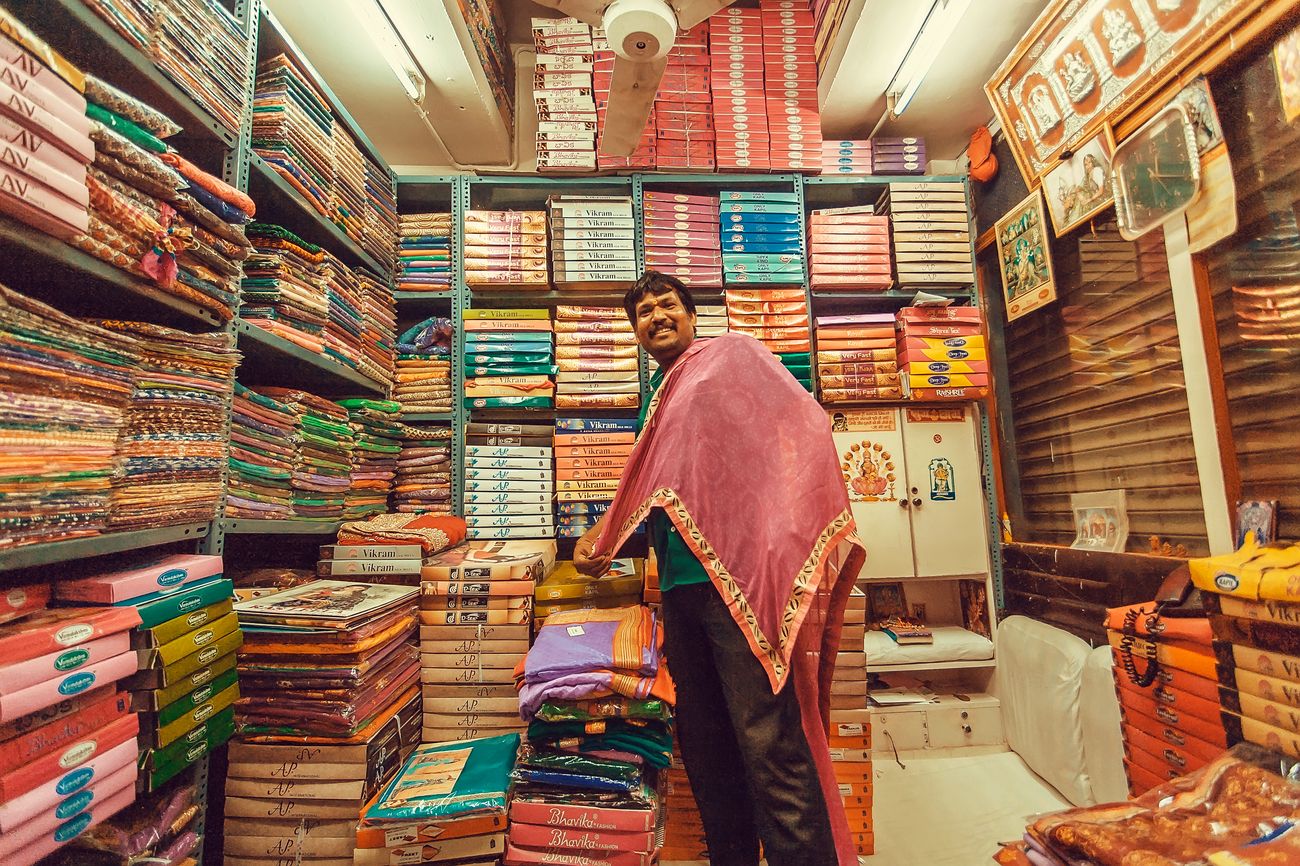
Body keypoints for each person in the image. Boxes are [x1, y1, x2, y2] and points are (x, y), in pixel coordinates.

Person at [573, 271, 866, 866]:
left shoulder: (729, 359)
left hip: (740, 588)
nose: (656, 315)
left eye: (668, 305)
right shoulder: (658, 401)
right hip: (681, 591)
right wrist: (604, 534)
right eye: (644, 311)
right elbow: (655, 490)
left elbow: (802, 422)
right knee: (706, 744)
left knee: (767, 739)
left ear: (692, 314)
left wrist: (780, 522)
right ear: (634, 331)